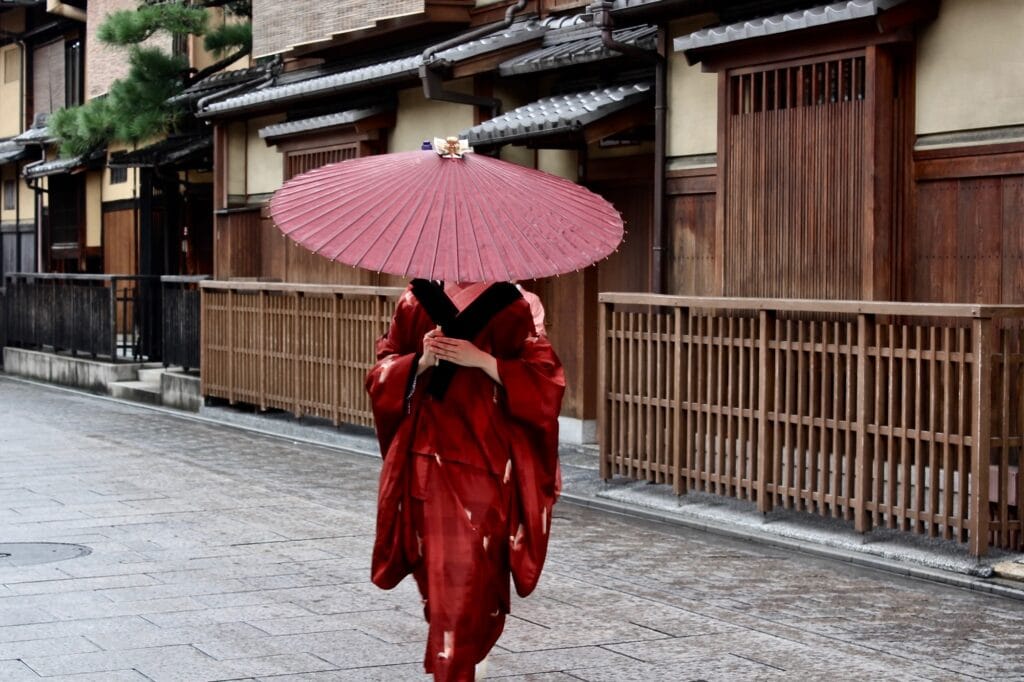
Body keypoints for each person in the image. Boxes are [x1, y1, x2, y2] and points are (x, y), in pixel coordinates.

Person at [366, 279, 565, 681]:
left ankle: (456, 661)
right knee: (438, 575)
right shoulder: (414, 300)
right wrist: (420, 360)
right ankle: (458, 656)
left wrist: (484, 361)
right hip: (426, 458)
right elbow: (381, 370)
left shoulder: (513, 305)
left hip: (485, 461)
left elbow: (546, 380)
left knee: (473, 572)